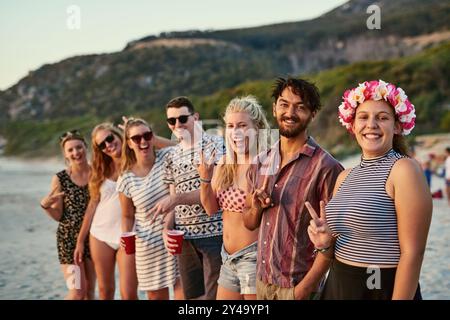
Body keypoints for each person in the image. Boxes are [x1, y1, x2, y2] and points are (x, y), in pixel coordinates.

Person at [306, 79, 432, 299]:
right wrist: (325, 244)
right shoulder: (344, 176)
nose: (371, 124)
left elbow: (413, 254)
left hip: (378, 287)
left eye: (382, 117)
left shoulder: (403, 169)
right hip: (337, 285)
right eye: (363, 117)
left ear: (397, 126)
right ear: (352, 125)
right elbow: (342, 243)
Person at [243, 77, 344, 300]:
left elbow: (336, 238)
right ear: (274, 108)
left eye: (300, 107)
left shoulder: (327, 168)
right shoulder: (260, 162)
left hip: (299, 288)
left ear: (313, 114)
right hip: (262, 284)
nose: (290, 113)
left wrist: (303, 290)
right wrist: (257, 208)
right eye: (284, 104)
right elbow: (249, 223)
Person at [198, 96, 270, 299]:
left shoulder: (263, 165)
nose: (235, 131)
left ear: (256, 128)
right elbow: (211, 209)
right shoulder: (224, 164)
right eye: (230, 126)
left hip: (254, 256)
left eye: (242, 125)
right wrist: (205, 179)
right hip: (227, 256)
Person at [157, 96, 225, 300]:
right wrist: (166, 228)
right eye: (172, 121)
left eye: (182, 118)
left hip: (215, 235)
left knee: (215, 298)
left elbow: (217, 190)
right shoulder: (171, 154)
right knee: (193, 299)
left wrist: (176, 199)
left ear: (195, 117)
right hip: (185, 238)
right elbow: (172, 197)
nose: (177, 124)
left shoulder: (217, 145)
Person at [116, 118, 182, 300]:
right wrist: (126, 235)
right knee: (156, 297)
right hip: (147, 245)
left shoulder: (167, 157)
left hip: (175, 239)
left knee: (184, 296)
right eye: (136, 138)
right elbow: (127, 215)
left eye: (147, 135)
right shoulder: (126, 179)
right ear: (128, 143)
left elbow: (180, 146)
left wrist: (153, 138)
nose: (143, 142)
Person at [73, 123, 138, 299]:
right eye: (102, 145)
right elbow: (92, 206)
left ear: (118, 135)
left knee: (129, 294)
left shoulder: (136, 160)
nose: (108, 145)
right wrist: (80, 241)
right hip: (100, 235)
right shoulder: (100, 170)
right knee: (105, 291)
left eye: (110, 138)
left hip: (128, 234)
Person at [40, 130, 96, 299]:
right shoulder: (60, 179)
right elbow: (58, 216)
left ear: (86, 148)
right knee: (77, 291)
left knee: (90, 293)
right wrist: (46, 206)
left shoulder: (98, 174)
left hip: (94, 238)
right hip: (69, 240)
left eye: (79, 147)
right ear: (65, 155)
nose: (75, 152)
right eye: (70, 150)